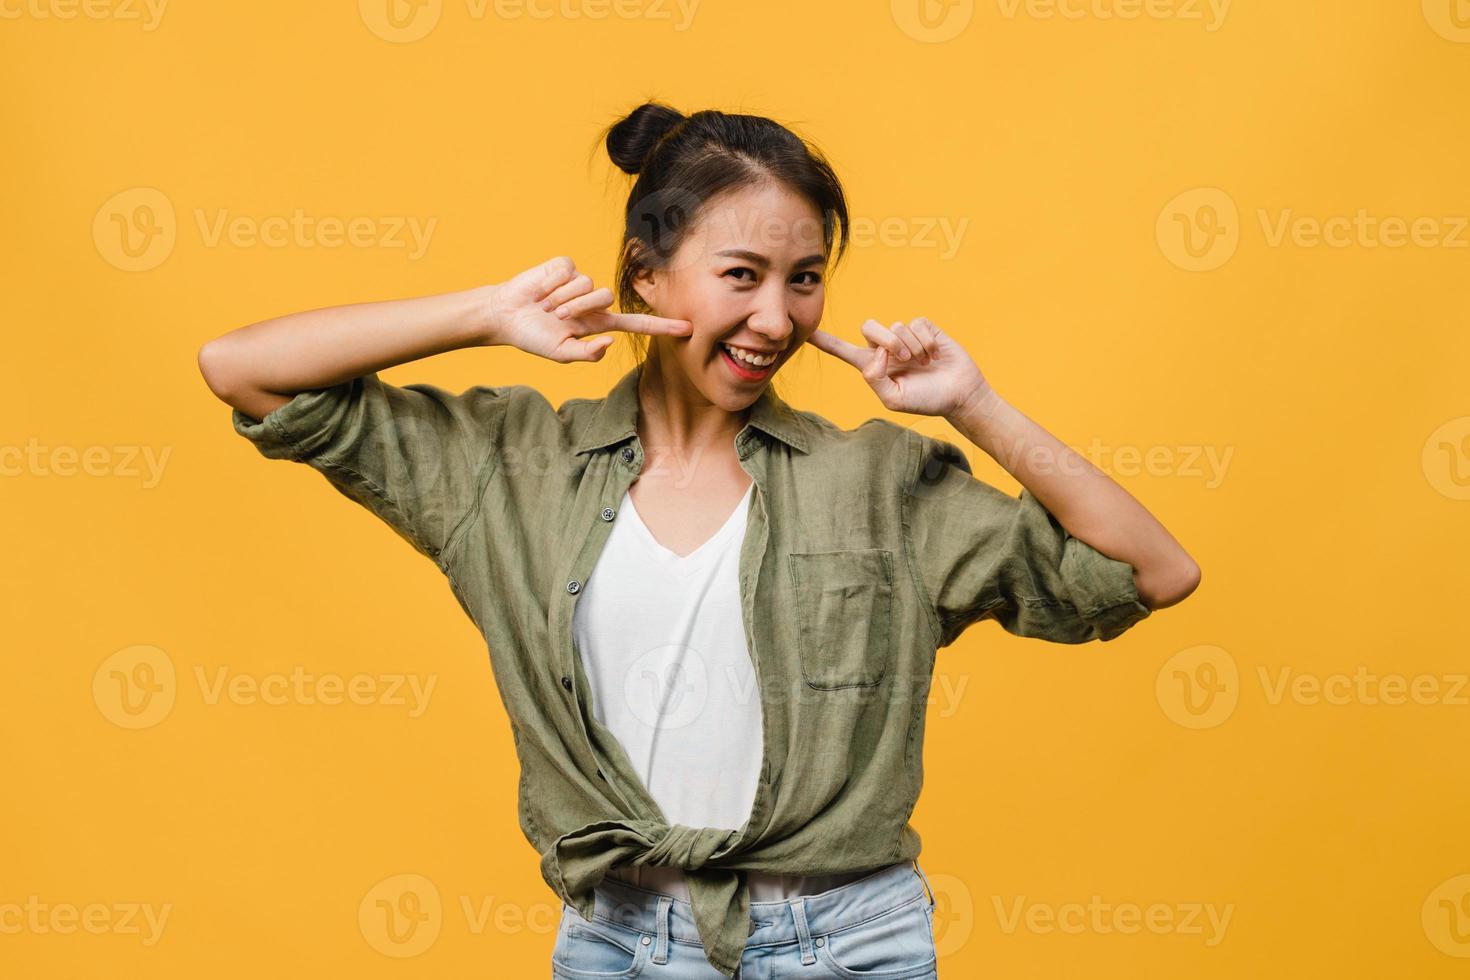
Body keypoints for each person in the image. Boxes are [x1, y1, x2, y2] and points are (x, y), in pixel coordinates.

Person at [197, 102, 1201, 979]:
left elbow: (1151, 569)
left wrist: (974, 404)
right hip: (624, 939)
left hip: (850, 940)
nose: (777, 316)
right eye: (742, 273)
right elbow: (241, 367)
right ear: (646, 271)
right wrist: (488, 314)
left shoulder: (879, 480)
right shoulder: (508, 468)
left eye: (805, 278)